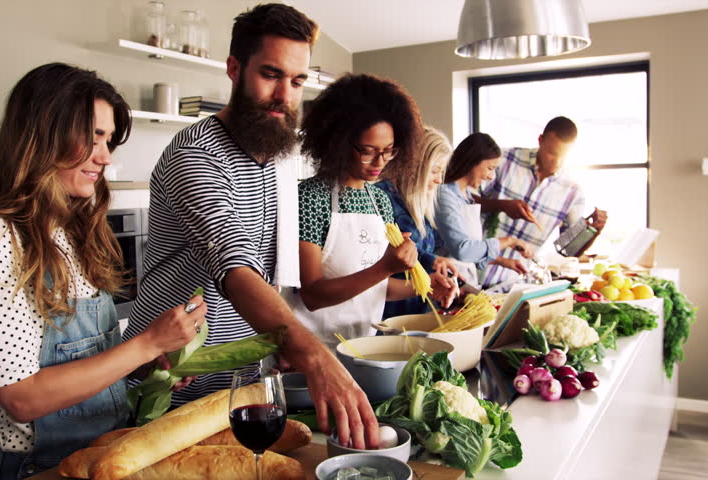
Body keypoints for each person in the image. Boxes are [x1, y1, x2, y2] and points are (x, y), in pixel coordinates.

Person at [124, 4, 381, 450]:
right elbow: (236, 267)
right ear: (234, 68)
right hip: (169, 388)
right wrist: (314, 355)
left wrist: (277, 343)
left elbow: (269, 269)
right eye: (271, 74)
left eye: (297, 81)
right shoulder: (195, 156)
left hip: (241, 388)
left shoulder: (280, 155)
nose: (285, 95)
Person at [0, 63, 207, 479]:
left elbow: (89, 366)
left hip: (108, 456)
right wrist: (146, 343)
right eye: (93, 137)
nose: (105, 156)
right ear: (43, 134)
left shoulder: (72, 229)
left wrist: (148, 363)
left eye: (108, 140)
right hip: (40, 468)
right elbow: (21, 398)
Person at [291, 76, 458, 341]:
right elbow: (312, 295)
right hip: (315, 345)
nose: (380, 162)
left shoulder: (378, 201)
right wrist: (385, 267)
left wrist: (425, 286)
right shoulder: (311, 198)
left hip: (364, 342)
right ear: (338, 143)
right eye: (368, 151)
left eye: (388, 151)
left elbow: (378, 288)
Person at [476, 117, 608, 288]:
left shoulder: (573, 191)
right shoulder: (504, 159)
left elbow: (569, 251)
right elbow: (464, 201)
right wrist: (502, 205)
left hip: (513, 285)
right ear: (540, 140)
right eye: (552, 152)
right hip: (470, 272)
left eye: (564, 156)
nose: (557, 162)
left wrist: (592, 232)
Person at [374, 126, 461, 319]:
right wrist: (430, 260)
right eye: (435, 171)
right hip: (390, 313)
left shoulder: (415, 200)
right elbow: (390, 251)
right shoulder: (381, 198)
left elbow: (416, 250)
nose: (439, 180)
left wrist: (436, 261)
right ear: (415, 166)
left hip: (416, 310)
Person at [435, 133, 534, 287]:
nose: (491, 176)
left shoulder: (466, 195)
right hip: (444, 284)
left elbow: (471, 250)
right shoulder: (445, 195)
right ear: (472, 161)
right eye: (490, 168)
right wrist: (509, 240)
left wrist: (502, 261)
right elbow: (462, 250)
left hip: (462, 283)